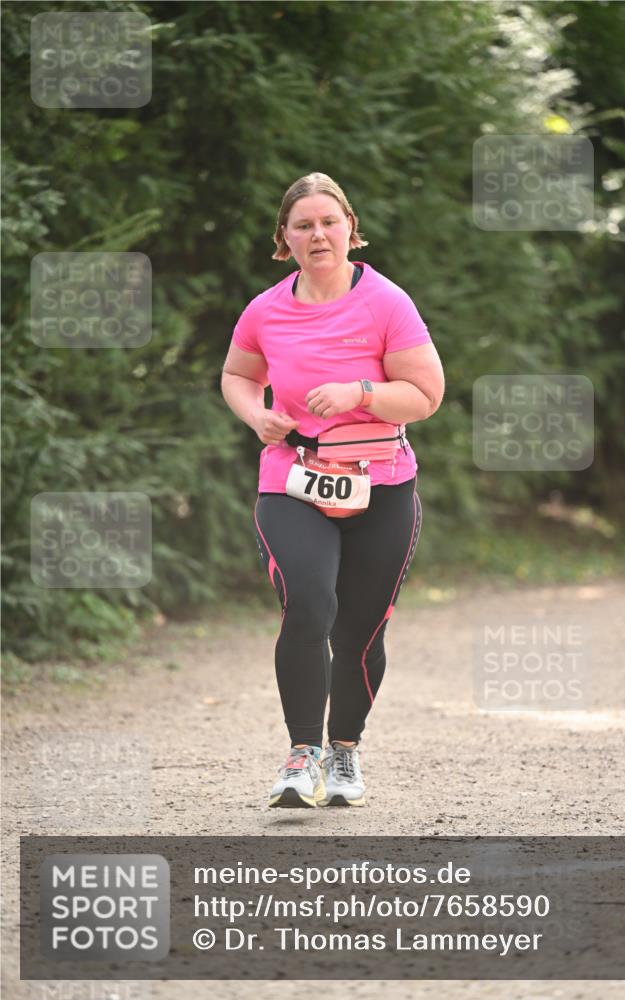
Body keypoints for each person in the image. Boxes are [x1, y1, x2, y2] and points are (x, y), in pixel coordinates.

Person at [221, 172, 444, 808]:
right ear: (284, 238)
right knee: (308, 604)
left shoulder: (386, 302)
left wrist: (359, 393)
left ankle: (344, 749)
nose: (317, 234)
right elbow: (237, 374)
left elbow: (427, 395)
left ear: (350, 228)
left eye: (328, 222)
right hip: (292, 477)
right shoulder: (265, 310)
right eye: (303, 225)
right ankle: (302, 755)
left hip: (382, 483)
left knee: (360, 633)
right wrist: (257, 415)